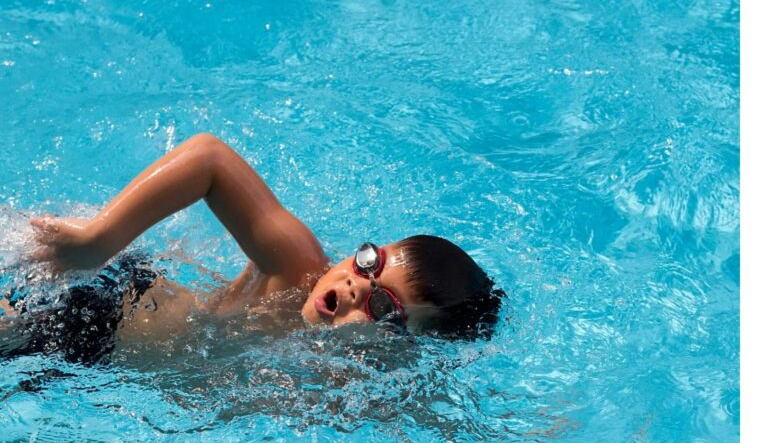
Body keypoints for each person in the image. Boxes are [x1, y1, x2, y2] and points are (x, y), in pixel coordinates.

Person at [2, 134, 503, 363]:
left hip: (94, 366)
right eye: (370, 262)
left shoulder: (365, 383)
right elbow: (209, 160)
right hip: (96, 308)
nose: (354, 285)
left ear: (406, 344)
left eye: (381, 305)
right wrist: (96, 241)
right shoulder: (298, 266)